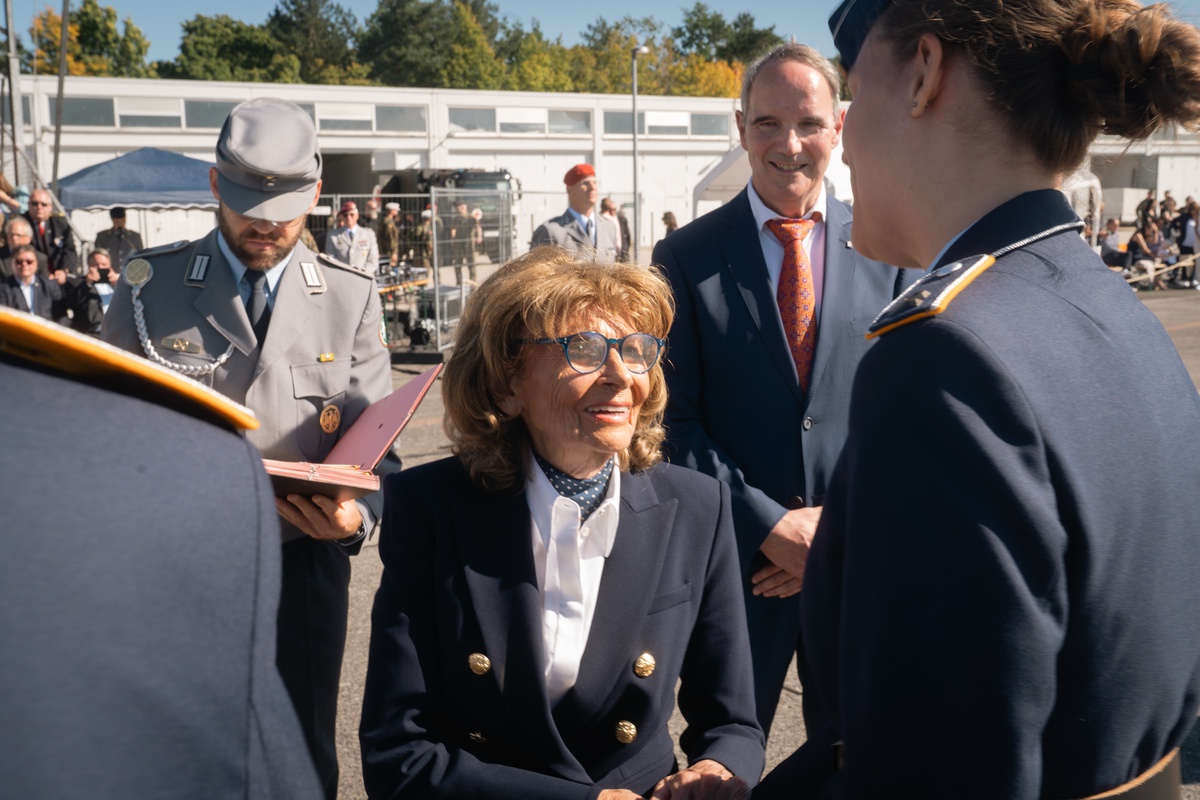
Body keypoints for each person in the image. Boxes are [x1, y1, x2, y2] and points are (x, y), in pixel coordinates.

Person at [756, 1, 1200, 797]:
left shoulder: (944, 360)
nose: (843, 137)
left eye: (854, 85)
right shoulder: (1107, 305)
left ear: (924, 73)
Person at [360, 247, 765, 799]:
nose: (621, 376)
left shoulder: (697, 506)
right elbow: (398, 754)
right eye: (585, 350)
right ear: (505, 385)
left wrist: (713, 771)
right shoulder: (429, 507)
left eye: (636, 350)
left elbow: (732, 722)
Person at [102, 97, 396, 799]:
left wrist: (355, 519)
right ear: (214, 184)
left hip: (305, 562)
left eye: (283, 209)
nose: (265, 225)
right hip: (179, 564)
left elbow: (379, 445)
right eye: (246, 206)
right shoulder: (149, 288)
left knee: (300, 759)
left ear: (316, 195)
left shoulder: (349, 298)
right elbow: (106, 428)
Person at [651, 42, 916, 738]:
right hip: (737, 570)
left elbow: (913, 418)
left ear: (840, 127)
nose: (789, 144)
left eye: (808, 123)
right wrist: (769, 526)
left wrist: (834, 537)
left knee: (858, 756)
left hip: (855, 566)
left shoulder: (896, 248)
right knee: (723, 758)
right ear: (741, 128)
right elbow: (671, 423)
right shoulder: (684, 258)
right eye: (768, 123)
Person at [0, 306, 322, 798]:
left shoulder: (345, 286)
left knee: (315, 720)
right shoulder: (191, 448)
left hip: (308, 547)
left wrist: (360, 518)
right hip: (176, 519)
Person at [532, 164, 619, 261]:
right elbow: (536, 270)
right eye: (585, 183)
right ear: (569, 189)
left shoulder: (608, 228)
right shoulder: (551, 232)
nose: (593, 187)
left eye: (595, 182)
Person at [0, 244, 66, 323]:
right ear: (12, 264)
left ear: (36, 264)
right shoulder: (3, 288)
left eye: (29, 262)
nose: (24, 265)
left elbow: (62, 317)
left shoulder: (50, 286)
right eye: (19, 262)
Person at [63, 247, 120, 334]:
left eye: (104, 264)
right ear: (89, 266)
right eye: (96, 265)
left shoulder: (118, 284)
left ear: (110, 266)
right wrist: (87, 283)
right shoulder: (78, 283)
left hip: (116, 332)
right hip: (91, 333)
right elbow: (71, 303)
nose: (100, 267)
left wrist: (120, 282)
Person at [24, 187, 77, 277]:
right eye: (35, 204)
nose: (39, 207)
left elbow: (70, 249)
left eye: (44, 204)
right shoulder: (21, 223)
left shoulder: (60, 223)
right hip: (34, 275)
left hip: (59, 273)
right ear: (28, 205)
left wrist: (64, 271)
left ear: (50, 207)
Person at [325, 200, 380, 272]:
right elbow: (331, 259)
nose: (348, 217)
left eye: (351, 214)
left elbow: (373, 259)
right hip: (342, 276)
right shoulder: (333, 236)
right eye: (345, 215)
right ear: (342, 217)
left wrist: (362, 273)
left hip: (363, 276)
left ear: (357, 215)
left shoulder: (368, 234)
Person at [449, 199, 481, 285]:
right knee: (458, 264)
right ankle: (459, 283)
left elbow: (478, 227)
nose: (457, 210)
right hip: (458, 245)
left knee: (471, 264)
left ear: (463, 208)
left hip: (469, 244)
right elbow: (453, 230)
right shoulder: (456, 219)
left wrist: (479, 237)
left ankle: (473, 282)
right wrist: (453, 240)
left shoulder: (471, 218)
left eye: (458, 208)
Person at [600, 196, 631, 261]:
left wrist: (625, 249)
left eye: (614, 209)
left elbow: (628, 236)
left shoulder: (620, 220)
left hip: (621, 254)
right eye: (611, 210)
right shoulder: (610, 220)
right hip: (611, 254)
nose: (612, 212)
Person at [380, 201, 401, 269]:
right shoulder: (389, 223)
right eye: (396, 210)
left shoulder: (387, 221)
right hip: (389, 252)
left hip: (387, 251)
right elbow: (391, 239)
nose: (397, 212)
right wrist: (394, 253)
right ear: (391, 211)